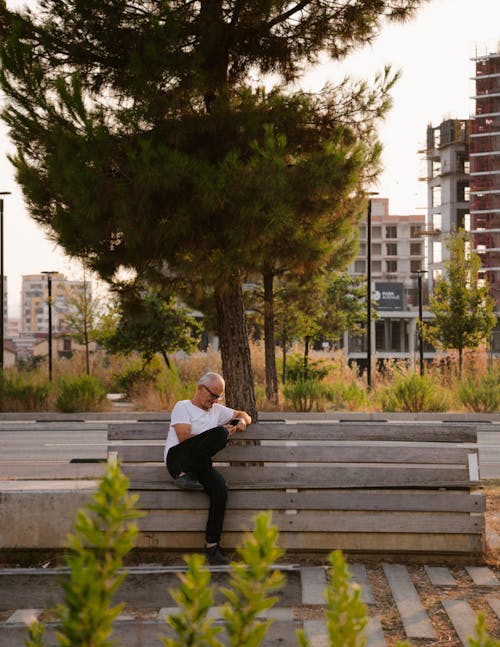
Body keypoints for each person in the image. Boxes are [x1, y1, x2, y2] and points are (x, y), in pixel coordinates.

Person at [164, 371, 252, 565]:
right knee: (220, 434)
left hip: (199, 464)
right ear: (199, 388)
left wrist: (242, 421)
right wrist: (218, 434)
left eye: (218, 396)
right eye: (212, 395)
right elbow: (184, 438)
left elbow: (243, 414)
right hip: (178, 459)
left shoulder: (217, 410)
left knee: (220, 488)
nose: (215, 400)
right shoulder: (183, 407)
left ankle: (212, 546)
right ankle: (182, 475)